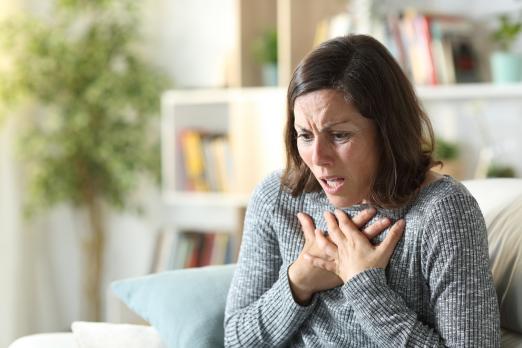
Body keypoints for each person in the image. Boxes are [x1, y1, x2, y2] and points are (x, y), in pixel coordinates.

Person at [224, 34, 500, 347]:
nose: (317, 158)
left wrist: (364, 285)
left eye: (340, 135)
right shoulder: (278, 196)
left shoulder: (443, 211)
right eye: (305, 135)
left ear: (387, 132)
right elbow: (236, 340)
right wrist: (299, 280)